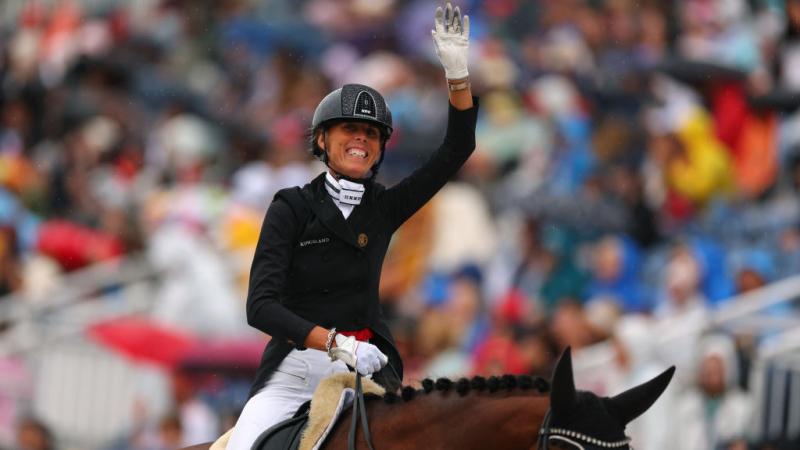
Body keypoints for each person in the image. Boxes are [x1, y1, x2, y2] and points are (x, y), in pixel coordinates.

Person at [226, 4, 478, 449]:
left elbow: (458, 147)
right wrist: (334, 343)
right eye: (348, 128)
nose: (361, 138)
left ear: (380, 148)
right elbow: (260, 307)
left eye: (371, 133)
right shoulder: (291, 206)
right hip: (294, 371)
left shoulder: (384, 206)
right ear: (322, 139)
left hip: (365, 371)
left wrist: (457, 77)